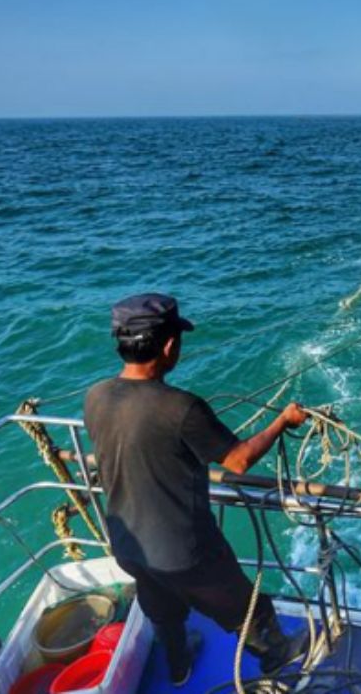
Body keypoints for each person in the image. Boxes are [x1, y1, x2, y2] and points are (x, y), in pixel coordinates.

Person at [84, 293, 308, 686]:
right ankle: (277, 656)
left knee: (163, 611)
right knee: (250, 609)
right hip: (186, 553)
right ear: (169, 346)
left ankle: (179, 667)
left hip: (129, 546)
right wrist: (282, 422)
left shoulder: (95, 395)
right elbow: (237, 460)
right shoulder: (181, 408)